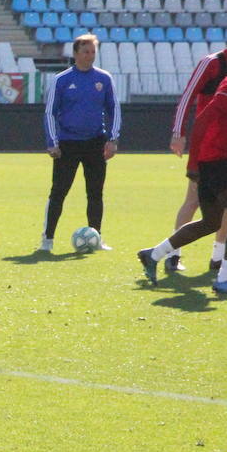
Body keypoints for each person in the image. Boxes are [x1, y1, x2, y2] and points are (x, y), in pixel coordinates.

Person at [139, 67, 227, 294]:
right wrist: (193, 164)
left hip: (216, 160)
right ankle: (223, 278)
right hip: (215, 160)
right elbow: (202, 121)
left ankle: (154, 254)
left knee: (211, 222)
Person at [39, 33, 120, 252]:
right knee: (58, 192)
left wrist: (112, 139)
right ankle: (47, 240)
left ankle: (96, 237)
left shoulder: (104, 79)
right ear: (75, 53)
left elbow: (114, 109)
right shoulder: (62, 80)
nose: (90, 55)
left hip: (95, 143)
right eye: (86, 51)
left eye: (93, 51)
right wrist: (52, 142)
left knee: (95, 192)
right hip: (68, 144)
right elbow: (49, 113)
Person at [163, 45, 227, 275]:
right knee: (193, 201)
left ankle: (217, 259)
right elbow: (188, 96)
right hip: (208, 149)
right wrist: (178, 133)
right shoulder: (211, 63)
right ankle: (172, 255)